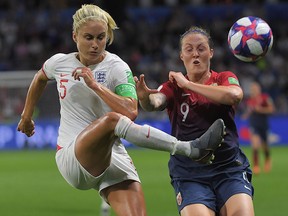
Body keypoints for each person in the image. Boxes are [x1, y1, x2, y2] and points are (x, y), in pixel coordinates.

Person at [17, 5, 225, 216]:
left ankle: (191, 149)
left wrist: (95, 85)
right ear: (74, 36)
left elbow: (131, 110)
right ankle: (190, 149)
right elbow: (40, 77)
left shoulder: (117, 67)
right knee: (111, 121)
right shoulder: (60, 63)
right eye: (88, 37)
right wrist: (26, 115)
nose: (95, 44)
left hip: (112, 154)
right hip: (73, 156)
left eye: (101, 37)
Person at [134, 26, 254, 216]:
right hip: (189, 174)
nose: (195, 54)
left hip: (229, 169)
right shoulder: (172, 87)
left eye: (201, 49)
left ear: (211, 53)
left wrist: (189, 85)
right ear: (182, 55)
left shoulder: (224, 78)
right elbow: (155, 102)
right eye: (189, 49)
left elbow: (234, 95)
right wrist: (144, 98)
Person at [242, 81, 275, 175]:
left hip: (263, 124)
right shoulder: (249, 100)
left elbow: (271, 109)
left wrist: (260, 110)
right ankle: (256, 166)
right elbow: (249, 111)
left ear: (259, 89)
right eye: (252, 89)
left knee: (265, 146)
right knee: (255, 144)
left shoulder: (265, 98)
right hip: (253, 124)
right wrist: (246, 115)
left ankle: (267, 159)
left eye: (255, 88)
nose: (254, 90)